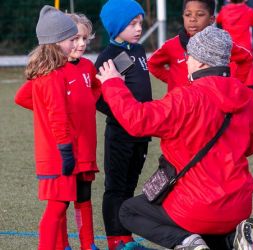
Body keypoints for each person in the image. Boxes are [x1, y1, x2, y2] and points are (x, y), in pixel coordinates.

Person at [96, 26, 253, 250]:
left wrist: (113, 83)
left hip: (196, 205)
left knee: (128, 211)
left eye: (189, 57)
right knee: (209, 229)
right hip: (238, 205)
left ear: (202, 62)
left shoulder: (188, 97)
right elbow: (250, 147)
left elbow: (138, 120)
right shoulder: (245, 97)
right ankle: (233, 238)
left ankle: (187, 242)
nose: (186, 61)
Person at [15, 12, 101, 250]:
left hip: (74, 150)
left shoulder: (79, 68)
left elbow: (94, 89)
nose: (78, 44)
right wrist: (63, 143)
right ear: (56, 41)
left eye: (82, 39)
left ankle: (87, 245)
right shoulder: (52, 75)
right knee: (58, 206)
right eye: (72, 39)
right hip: (60, 153)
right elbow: (44, 108)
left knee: (73, 201)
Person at [95, 0, 152, 249]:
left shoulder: (137, 50)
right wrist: (121, 114)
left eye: (140, 22)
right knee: (116, 187)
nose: (139, 27)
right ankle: (114, 240)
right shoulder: (109, 57)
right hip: (120, 133)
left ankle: (126, 238)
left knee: (130, 185)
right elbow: (98, 96)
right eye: (132, 23)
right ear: (116, 26)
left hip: (141, 132)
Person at [148, 0, 253, 92]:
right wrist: (172, 80)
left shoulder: (219, 44)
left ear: (212, 19)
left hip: (210, 110)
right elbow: (152, 64)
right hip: (180, 110)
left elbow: (246, 58)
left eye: (199, 14)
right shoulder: (171, 45)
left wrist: (234, 84)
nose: (192, 19)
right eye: (188, 14)